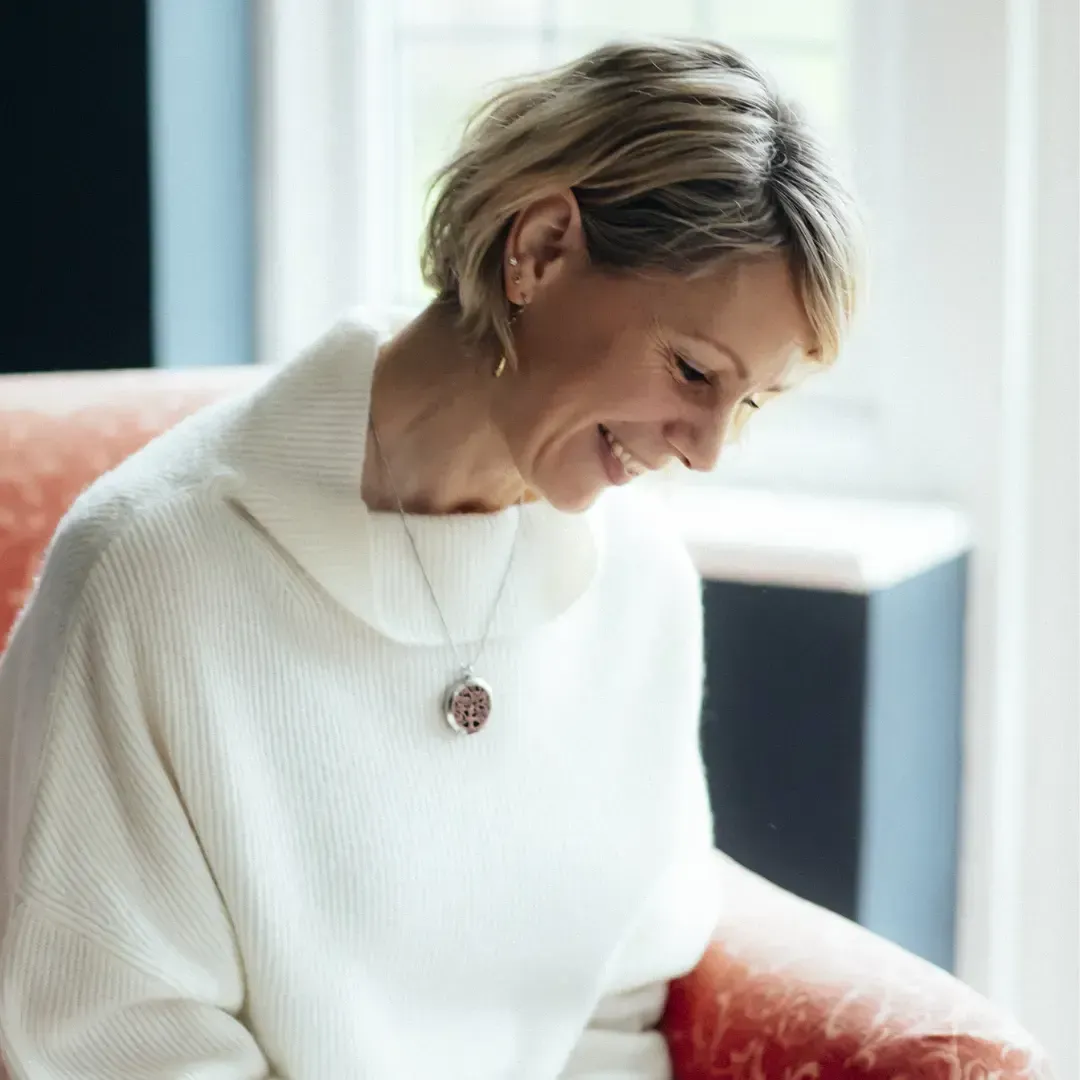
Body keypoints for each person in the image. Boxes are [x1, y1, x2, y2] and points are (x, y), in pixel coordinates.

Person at [0, 39, 861, 1080]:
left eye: (750, 403)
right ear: (541, 248)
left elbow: (619, 1016)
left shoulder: (642, 584)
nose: (708, 448)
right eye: (692, 370)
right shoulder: (152, 573)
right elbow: (116, 1046)